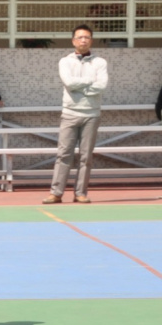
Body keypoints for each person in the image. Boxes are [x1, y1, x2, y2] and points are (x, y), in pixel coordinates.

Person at [46, 24, 108, 204]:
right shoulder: (65, 61)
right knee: (64, 154)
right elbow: (69, 83)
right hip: (70, 113)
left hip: (92, 114)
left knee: (86, 156)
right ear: (73, 41)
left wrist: (80, 88)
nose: (83, 40)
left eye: (87, 37)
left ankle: (80, 193)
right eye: (80, 37)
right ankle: (56, 193)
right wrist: (89, 82)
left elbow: (101, 85)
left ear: (91, 41)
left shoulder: (100, 62)